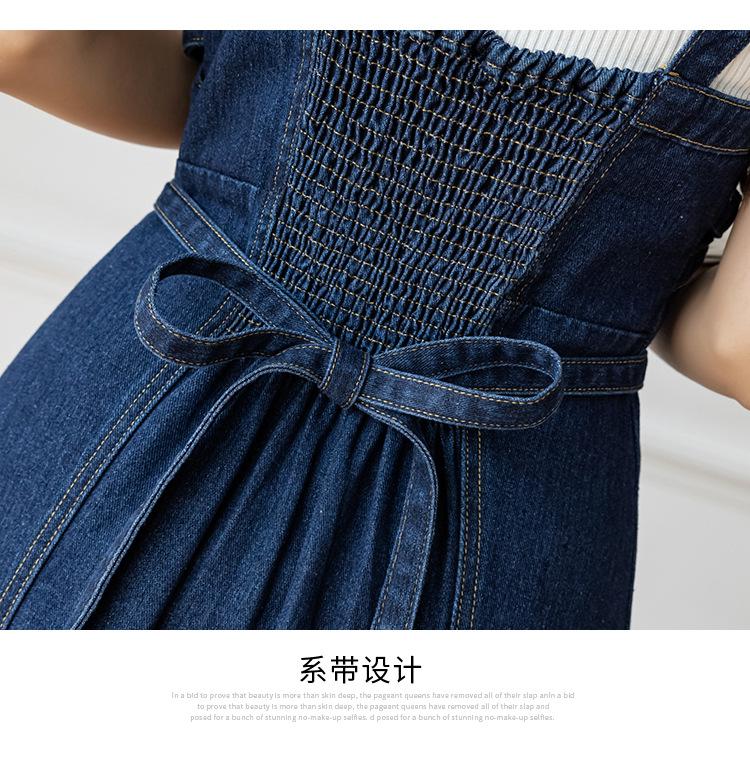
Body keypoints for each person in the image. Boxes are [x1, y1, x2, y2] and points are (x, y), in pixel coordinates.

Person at [0, 30, 748, 630]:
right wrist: (604, 301)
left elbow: (34, 44)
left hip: (160, 374)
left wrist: (241, 155)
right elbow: (735, 345)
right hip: (507, 477)